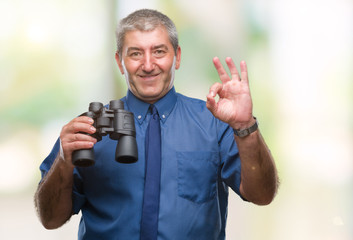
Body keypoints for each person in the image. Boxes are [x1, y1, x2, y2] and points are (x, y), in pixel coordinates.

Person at [34, 9, 278, 240]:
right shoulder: (87, 128)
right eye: (136, 53)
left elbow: (262, 195)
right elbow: (51, 219)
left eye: (159, 51)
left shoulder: (213, 122)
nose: (148, 65)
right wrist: (63, 162)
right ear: (120, 62)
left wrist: (245, 126)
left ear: (177, 57)